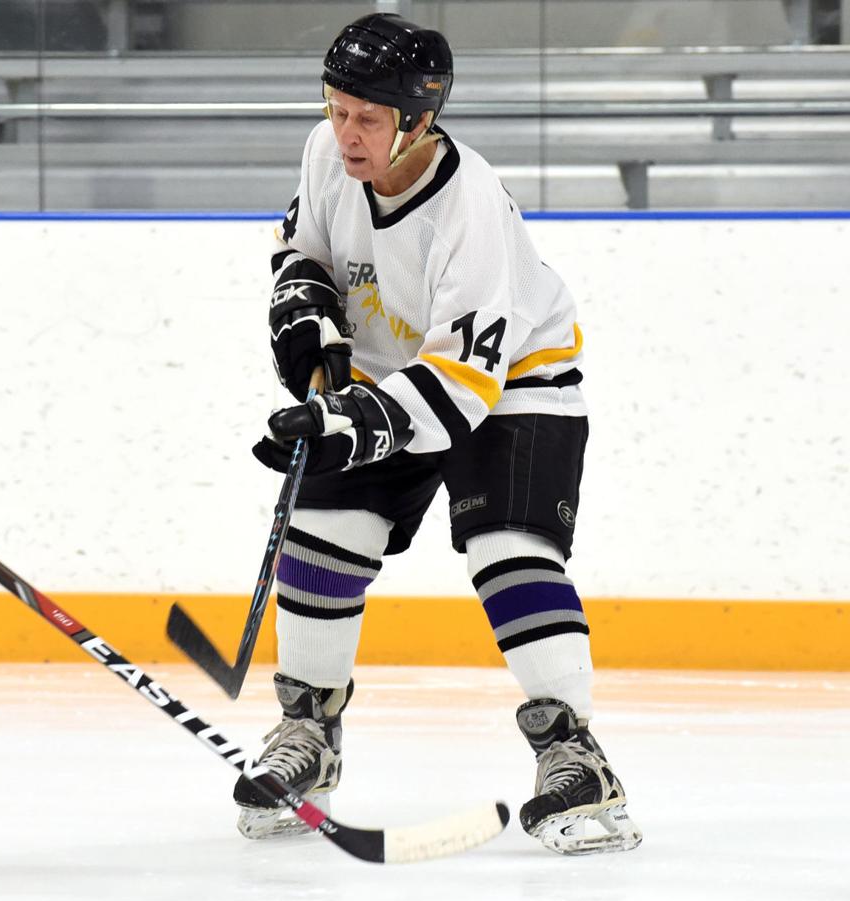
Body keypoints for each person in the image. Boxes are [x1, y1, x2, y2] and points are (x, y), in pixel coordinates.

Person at [233, 12, 641, 856]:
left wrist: (351, 423)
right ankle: (310, 734)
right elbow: (302, 250)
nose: (345, 132)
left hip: (517, 383)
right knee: (324, 532)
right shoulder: (327, 152)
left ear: (419, 121)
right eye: (335, 108)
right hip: (389, 375)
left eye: (367, 119)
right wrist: (306, 324)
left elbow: (462, 384)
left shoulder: (470, 205)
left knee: (507, 548)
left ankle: (575, 752)